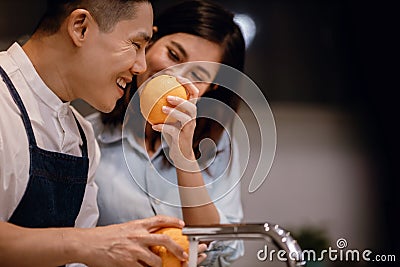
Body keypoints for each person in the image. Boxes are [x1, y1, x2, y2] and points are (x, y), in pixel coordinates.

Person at [0, 0, 190, 266]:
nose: (141, 67)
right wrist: (87, 243)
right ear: (81, 28)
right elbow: (84, 246)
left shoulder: (82, 136)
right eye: (136, 45)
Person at [87, 0, 246, 266]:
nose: (175, 76)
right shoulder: (87, 136)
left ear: (211, 88)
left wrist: (184, 155)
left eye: (196, 74)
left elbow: (222, 250)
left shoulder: (220, 147)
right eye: (173, 55)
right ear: (150, 40)